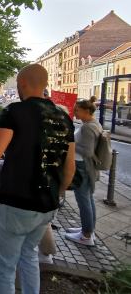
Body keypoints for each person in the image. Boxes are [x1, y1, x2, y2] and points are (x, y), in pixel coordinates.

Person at [0, 64, 75, 294]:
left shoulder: (14, 112)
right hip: (47, 205)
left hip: (17, 204)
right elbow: (69, 167)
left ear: (22, 83)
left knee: (4, 269)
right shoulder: (64, 117)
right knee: (29, 257)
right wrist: (57, 193)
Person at [65, 100, 103, 246]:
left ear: (86, 111)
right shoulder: (92, 124)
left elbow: (87, 151)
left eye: (77, 110)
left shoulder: (88, 127)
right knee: (88, 199)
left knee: (83, 201)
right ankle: (88, 230)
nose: (75, 113)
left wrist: (70, 143)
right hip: (85, 167)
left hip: (83, 167)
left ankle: (86, 236)